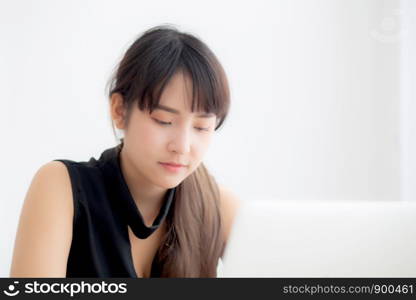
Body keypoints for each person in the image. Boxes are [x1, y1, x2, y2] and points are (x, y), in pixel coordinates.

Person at [9, 25, 240, 278]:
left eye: (201, 127)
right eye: (163, 120)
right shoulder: (61, 187)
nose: (182, 146)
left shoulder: (218, 207)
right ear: (119, 110)